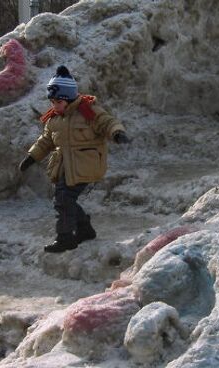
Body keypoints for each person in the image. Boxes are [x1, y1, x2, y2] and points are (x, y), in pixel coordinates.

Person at [19, 65, 131, 253]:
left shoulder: (87, 111)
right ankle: (84, 229)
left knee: (63, 199)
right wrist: (32, 156)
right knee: (65, 199)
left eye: (58, 102)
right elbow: (46, 140)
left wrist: (117, 133)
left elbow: (107, 122)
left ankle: (65, 238)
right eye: (52, 102)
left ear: (68, 98)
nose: (54, 106)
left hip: (85, 165)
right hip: (64, 165)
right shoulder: (54, 118)